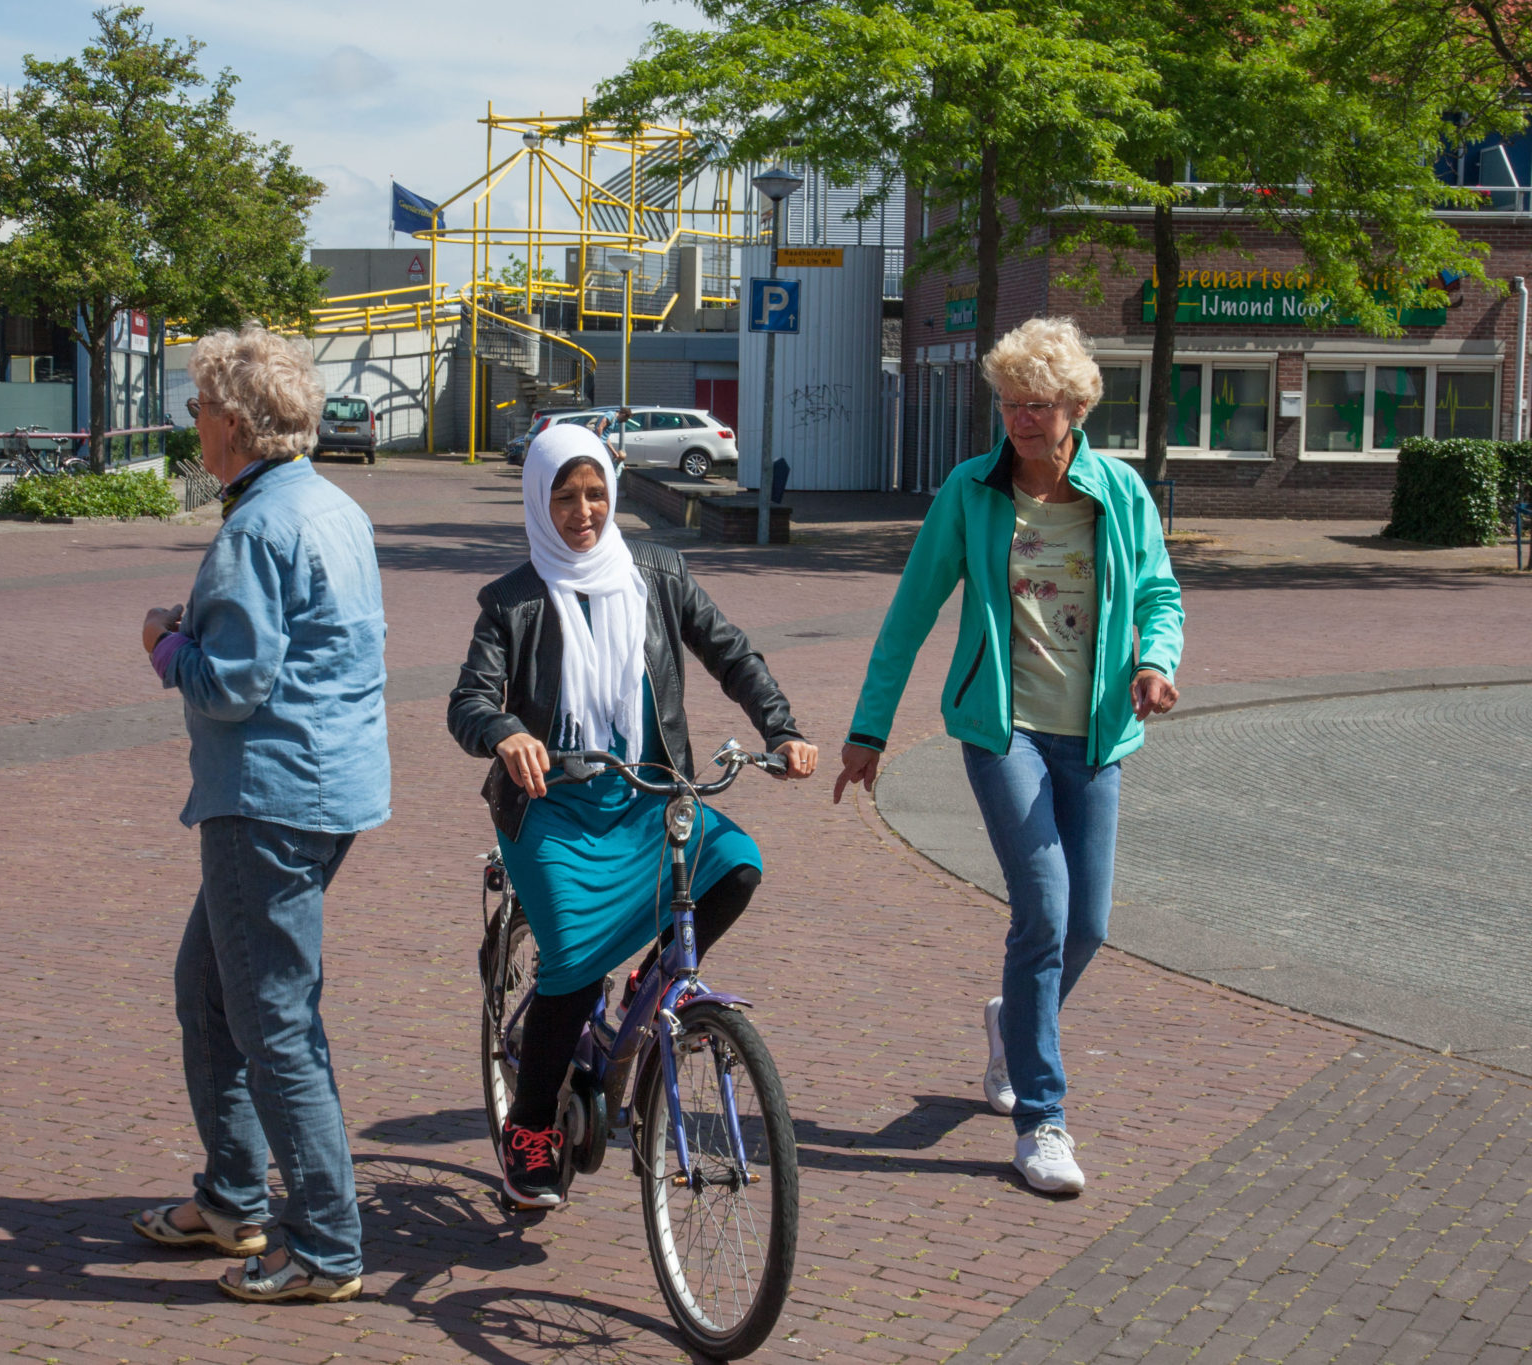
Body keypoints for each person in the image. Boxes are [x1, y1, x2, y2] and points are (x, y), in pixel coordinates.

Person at [834, 318, 1184, 1196]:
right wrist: (869, 730)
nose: (1019, 420)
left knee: (1089, 924)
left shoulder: (1119, 493)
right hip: (1004, 732)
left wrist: (1155, 660)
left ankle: (1011, 1024)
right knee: (1045, 910)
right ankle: (1042, 1119)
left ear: (1075, 408)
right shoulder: (970, 491)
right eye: (1008, 402)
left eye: (1036, 405)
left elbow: (1158, 590)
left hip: (1097, 733)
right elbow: (910, 613)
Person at [448, 422, 818, 1207]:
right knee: (575, 959)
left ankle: (651, 981)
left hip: (648, 798)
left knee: (740, 861)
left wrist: (780, 729)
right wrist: (507, 731)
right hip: (550, 812)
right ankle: (533, 1122)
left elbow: (732, 653)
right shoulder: (511, 601)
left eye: (593, 493)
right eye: (564, 495)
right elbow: (468, 700)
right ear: (538, 501)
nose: (582, 510)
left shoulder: (658, 572)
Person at [130, 325, 389, 1304]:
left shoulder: (254, 527)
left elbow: (231, 683)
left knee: (274, 1018)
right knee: (210, 989)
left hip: (270, 797)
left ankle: (325, 1243)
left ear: (232, 426)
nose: (191, 422)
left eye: (198, 409)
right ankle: (234, 1194)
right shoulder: (333, 507)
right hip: (331, 788)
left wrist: (162, 643)